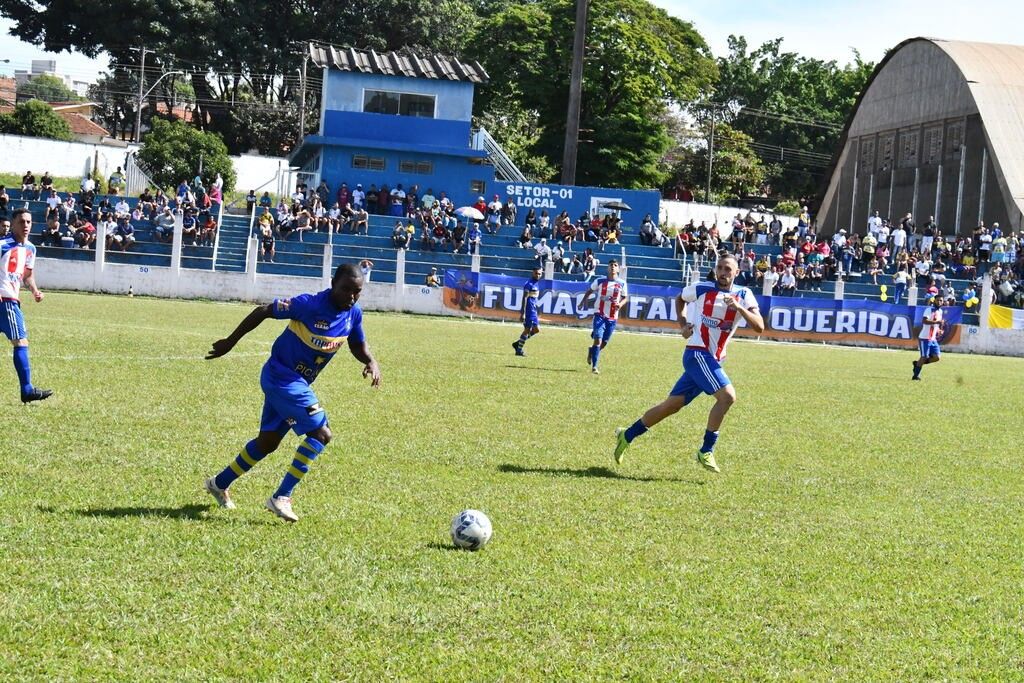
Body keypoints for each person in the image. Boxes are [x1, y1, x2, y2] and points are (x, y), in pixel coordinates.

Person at [203, 263, 381, 522]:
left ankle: (218, 484)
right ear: (333, 284)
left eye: (357, 292)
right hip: (281, 377)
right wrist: (230, 342)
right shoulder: (308, 305)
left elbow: (357, 344)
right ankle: (281, 497)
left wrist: (370, 361)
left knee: (267, 443)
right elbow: (263, 311)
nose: (351, 297)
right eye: (346, 290)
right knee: (322, 433)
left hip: (296, 383)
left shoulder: (353, 314)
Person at [613, 255, 763, 472]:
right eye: (719, 268)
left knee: (670, 406)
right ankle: (706, 450)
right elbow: (680, 298)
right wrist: (683, 324)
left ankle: (627, 435)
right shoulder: (701, 288)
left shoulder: (744, 294)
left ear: (736, 272)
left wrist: (739, 308)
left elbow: (759, 327)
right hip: (696, 354)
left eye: (727, 269)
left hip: (713, 359)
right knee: (727, 397)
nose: (722, 272)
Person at [1, 208, 52, 403]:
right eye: (21, 222)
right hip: (6, 301)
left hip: (11, 299)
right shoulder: (3, 245)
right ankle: (27, 390)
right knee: (21, 342)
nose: (26, 226)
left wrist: (35, 290)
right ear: (12, 224)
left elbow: (27, 275)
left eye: (29, 222)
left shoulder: (30, 248)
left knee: (20, 341)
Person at [581, 260, 628, 375]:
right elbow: (589, 291)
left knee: (604, 343)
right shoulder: (600, 280)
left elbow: (625, 297)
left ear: (618, 269)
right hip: (599, 314)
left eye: (615, 265)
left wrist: (620, 305)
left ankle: (591, 351)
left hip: (612, 317)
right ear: (608, 268)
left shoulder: (622, 283)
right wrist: (583, 301)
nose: (613, 267)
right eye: (611, 265)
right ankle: (595, 366)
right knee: (598, 339)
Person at [912, 295, 943, 381]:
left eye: (941, 300)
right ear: (934, 301)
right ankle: (915, 376)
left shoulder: (940, 311)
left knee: (937, 357)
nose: (939, 302)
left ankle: (917, 364)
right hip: (925, 338)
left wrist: (939, 330)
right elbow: (924, 321)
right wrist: (937, 322)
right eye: (938, 300)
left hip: (933, 339)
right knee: (924, 356)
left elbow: (936, 324)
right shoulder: (929, 310)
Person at [513, 267, 542, 357]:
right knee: (527, 329)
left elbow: (533, 298)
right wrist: (523, 313)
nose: (538, 275)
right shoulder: (528, 284)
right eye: (536, 273)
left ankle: (518, 343)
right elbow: (524, 298)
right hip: (529, 310)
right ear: (532, 273)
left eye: (540, 274)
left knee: (536, 330)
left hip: (533, 310)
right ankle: (519, 350)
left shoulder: (536, 283)